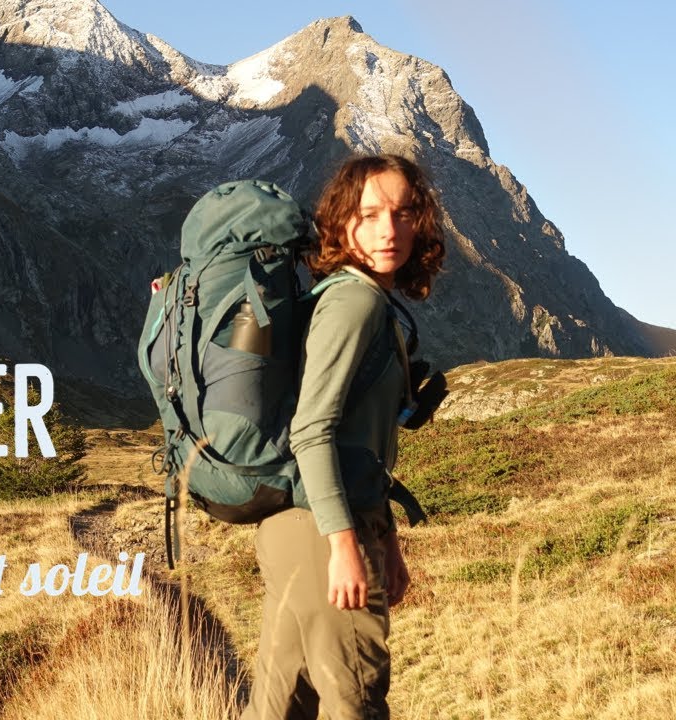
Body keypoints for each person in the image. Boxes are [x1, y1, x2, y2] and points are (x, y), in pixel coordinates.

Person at [242, 154, 446, 720]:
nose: (389, 230)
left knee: (284, 702)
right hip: (323, 530)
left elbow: (363, 439)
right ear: (341, 223)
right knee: (354, 697)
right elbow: (313, 430)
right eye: (370, 213)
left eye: (404, 214)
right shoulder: (354, 301)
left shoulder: (356, 298)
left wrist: (388, 540)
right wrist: (344, 545)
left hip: (304, 525)